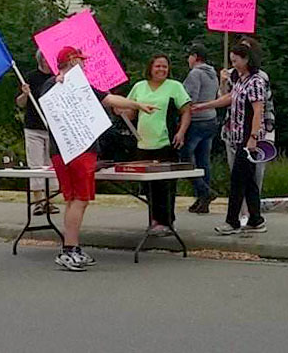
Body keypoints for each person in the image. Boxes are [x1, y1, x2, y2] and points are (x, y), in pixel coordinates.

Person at [44, 46, 155, 271]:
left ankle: (71, 248)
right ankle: (69, 250)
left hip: (64, 150)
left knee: (74, 199)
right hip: (77, 149)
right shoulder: (59, 83)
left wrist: (136, 104)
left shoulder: (79, 85)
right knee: (80, 199)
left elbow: (109, 98)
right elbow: (50, 94)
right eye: (81, 60)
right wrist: (59, 80)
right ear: (72, 60)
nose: (85, 65)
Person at [195, 42, 268, 236]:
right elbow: (229, 99)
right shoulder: (241, 79)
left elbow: (258, 110)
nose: (233, 64)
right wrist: (204, 106)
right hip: (236, 135)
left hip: (247, 137)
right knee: (249, 179)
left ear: (247, 59)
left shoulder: (255, 81)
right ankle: (256, 218)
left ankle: (232, 220)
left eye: (236, 60)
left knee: (237, 179)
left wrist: (253, 137)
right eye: (232, 60)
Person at [123, 54, 192, 236]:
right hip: (143, 143)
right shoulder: (139, 87)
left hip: (166, 142)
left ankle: (168, 221)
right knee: (148, 187)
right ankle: (155, 219)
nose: (161, 70)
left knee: (165, 185)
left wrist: (181, 132)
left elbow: (186, 111)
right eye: (158, 66)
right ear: (150, 68)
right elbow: (129, 112)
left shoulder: (175, 87)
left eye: (164, 66)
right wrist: (120, 108)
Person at [15, 50, 58, 216]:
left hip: (53, 127)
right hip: (33, 126)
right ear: (40, 60)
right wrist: (25, 94)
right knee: (36, 164)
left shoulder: (57, 78)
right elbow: (20, 103)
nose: (47, 63)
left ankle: (51, 200)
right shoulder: (30, 77)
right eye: (45, 60)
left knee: (52, 164)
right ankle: (38, 201)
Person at [181, 44, 220, 213]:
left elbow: (189, 98)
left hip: (196, 120)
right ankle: (202, 202)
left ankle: (204, 191)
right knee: (203, 161)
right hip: (211, 119)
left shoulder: (195, 73)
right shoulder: (213, 74)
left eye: (189, 56)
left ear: (195, 57)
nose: (187, 60)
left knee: (185, 160)